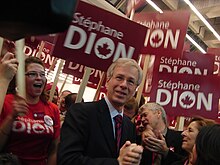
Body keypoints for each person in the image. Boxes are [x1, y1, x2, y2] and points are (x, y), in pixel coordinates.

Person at [58, 58, 144, 165]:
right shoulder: (81, 112)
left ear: (135, 89)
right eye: (119, 78)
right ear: (107, 81)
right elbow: (67, 160)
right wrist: (117, 163)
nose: (124, 85)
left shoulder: (129, 127)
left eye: (130, 81)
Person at [0, 56, 60, 165]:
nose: (39, 78)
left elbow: (54, 149)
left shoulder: (53, 109)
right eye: (32, 74)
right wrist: (11, 117)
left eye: (42, 74)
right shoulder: (5, 101)